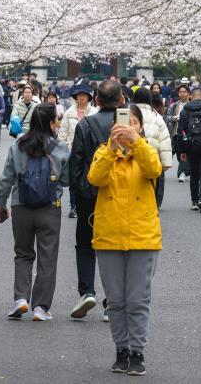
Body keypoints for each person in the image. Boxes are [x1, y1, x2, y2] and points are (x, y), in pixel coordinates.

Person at [89, 103, 163, 376]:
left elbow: (154, 169)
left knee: (138, 299)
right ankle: (121, 350)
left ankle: (137, 352)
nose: (127, 126)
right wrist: (111, 148)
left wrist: (138, 143)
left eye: (133, 122)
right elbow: (94, 178)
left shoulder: (146, 152)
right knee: (116, 300)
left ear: (140, 127)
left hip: (143, 237)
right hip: (109, 236)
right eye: (123, 122)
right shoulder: (103, 152)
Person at [0, 105, 70, 322]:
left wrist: (1, 204)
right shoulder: (61, 147)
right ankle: (40, 307)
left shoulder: (17, 146)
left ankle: (20, 299)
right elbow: (65, 180)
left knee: (23, 254)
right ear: (50, 123)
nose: (57, 122)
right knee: (47, 257)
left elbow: (6, 179)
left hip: (21, 206)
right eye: (56, 119)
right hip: (49, 207)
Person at [69, 79, 122, 319]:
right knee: (115, 247)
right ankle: (112, 299)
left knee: (85, 243)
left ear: (96, 100)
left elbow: (77, 164)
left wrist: (80, 193)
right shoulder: (127, 124)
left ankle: (87, 291)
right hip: (120, 194)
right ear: (121, 99)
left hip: (90, 194)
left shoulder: (86, 124)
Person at [59, 83, 97, 218]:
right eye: (79, 95)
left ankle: (89, 205)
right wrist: (62, 150)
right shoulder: (69, 113)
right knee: (74, 179)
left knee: (90, 177)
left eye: (84, 95)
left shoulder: (94, 112)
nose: (81, 98)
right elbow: (63, 132)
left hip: (90, 150)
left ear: (88, 97)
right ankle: (73, 206)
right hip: (72, 149)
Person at [132, 88, 173, 208]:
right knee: (155, 183)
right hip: (153, 156)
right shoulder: (156, 116)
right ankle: (154, 204)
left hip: (134, 155)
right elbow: (164, 139)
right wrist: (166, 162)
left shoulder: (130, 113)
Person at [168, 84, 191, 183]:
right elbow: (167, 117)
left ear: (189, 94)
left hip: (188, 134)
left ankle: (182, 173)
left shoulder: (192, 105)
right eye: (180, 92)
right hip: (176, 133)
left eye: (184, 92)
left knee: (185, 153)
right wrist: (174, 118)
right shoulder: (174, 105)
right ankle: (186, 171)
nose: (182, 94)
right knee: (179, 154)